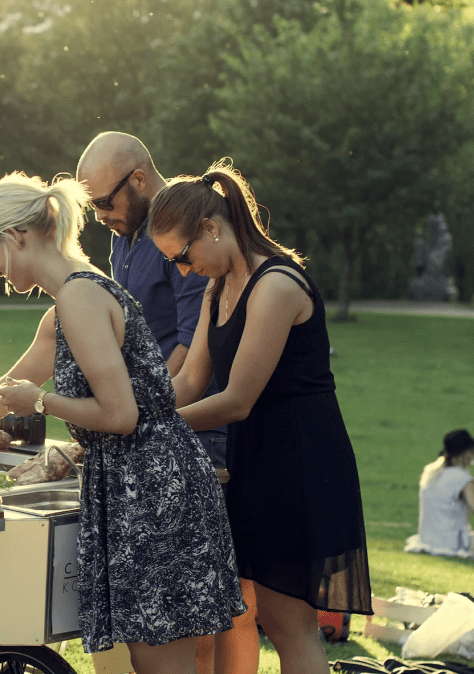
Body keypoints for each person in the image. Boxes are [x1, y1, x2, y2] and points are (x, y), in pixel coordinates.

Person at [0, 172, 245, 674]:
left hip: (152, 489)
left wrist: (41, 402)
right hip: (135, 485)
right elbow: (3, 390)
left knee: (160, 666)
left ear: (16, 236)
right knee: (152, 663)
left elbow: (121, 416)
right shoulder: (66, 305)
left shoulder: (80, 299)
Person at [147, 161, 373, 674]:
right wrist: (134, 415)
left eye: (183, 255)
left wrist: (150, 430)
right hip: (257, 463)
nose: (183, 269)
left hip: (301, 463)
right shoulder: (217, 287)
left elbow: (237, 400)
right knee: (271, 616)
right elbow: (188, 382)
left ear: (211, 228)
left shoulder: (276, 285)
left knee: (291, 628)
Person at [77, 132, 253, 674]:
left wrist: (144, 413)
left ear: (137, 180)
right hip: (152, 424)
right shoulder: (126, 236)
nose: (100, 214)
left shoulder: (176, 233)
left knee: (212, 600)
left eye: (104, 202)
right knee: (179, 602)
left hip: (194, 429)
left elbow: (185, 344)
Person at [405, 429, 474, 557]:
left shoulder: (431, 473)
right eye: (473, 451)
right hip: (453, 545)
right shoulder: (462, 478)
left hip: (428, 541)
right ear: (467, 453)